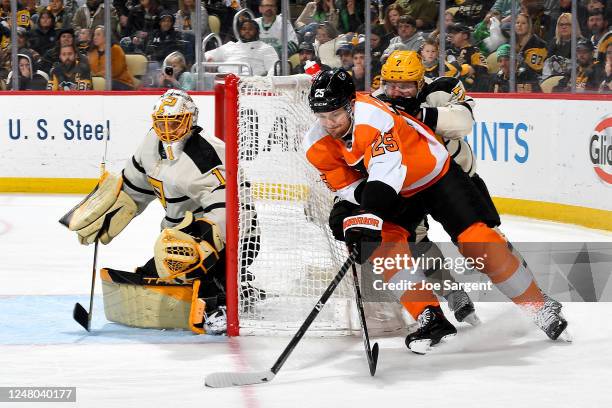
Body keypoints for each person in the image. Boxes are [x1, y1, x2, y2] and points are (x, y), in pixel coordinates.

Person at [304, 68, 570, 353]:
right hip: (396, 189)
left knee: (476, 241)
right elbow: (351, 189)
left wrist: (367, 218)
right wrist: (354, 225)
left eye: (335, 115)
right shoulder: (315, 144)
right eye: (322, 117)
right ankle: (431, 318)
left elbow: (384, 179)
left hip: (434, 175)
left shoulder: (372, 118)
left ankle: (539, 306)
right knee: (382, 245)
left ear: (351, 105)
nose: (329, 124)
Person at [62, 89, 228, 335]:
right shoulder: (150, 145)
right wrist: (109, 211)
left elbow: (227, 211)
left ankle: (220, 303)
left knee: (180, 256)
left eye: (175, 122)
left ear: (191, 121)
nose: (168, 129)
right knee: (154, 274)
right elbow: (134, 188)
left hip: (231, 236)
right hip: (178, 237)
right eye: (162, 123)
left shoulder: (206, 157)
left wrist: (203, 244)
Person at [371, 49, 483, 326]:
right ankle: (452, 292)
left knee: (481, 238)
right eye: (391, 85)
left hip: (455, 180)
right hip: (412, 185)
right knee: (415, 242)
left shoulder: (441, 90)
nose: (397, 92)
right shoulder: (376, 104)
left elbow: (463, 122)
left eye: (405, 85)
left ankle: (529, 293)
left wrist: (422, 113)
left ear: (420, 83)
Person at [204, 18, 279, 76]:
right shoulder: (230, 46)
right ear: (239, 32)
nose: (247, 31)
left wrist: (266, 84)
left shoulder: (265, 48)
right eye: (244, 29)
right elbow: (208, 55)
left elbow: (275, 68)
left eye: (250, 29)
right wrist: (210, 58)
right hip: (223, 81)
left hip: (251, 84)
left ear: (257, 32)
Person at [88, 25, 135, 90]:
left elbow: (116, 71)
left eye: (98, 35)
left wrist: (98, 75)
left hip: (122, 82)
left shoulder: (116, 49)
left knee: (107, 85)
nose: (95, 37)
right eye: (94, 35)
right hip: (100, 82)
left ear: (106, 37)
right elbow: (90, 70)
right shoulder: (92, 53)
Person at [446, 23, 489, 91]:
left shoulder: (474, 51)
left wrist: (471, 68)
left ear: (465, 36)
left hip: (469, 89)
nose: (451, 35)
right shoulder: (449, 50)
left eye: (455, 33)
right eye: (450, 33)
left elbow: (483, 69)